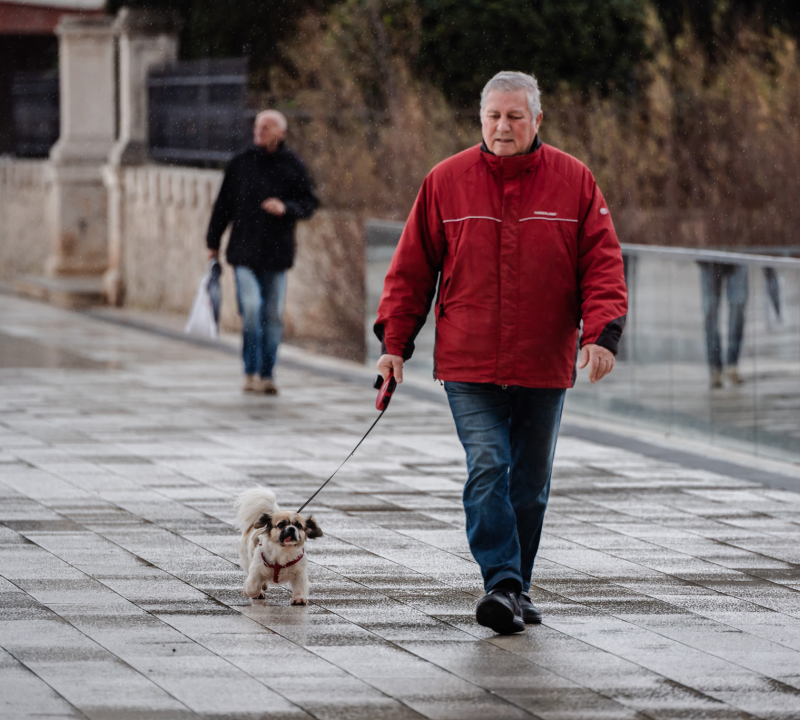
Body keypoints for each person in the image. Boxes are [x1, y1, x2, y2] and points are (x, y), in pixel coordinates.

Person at [374, 71, 628, 634]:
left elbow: (603, 262)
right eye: (493, 116)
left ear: (537, 120)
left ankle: (517, 587)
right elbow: (411, 270)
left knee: (530, 484)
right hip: (470, 361)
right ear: (480, 120)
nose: (503, 126)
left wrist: (601, 333)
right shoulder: (446, 180)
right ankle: (503, 584)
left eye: (515, 116)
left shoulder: (575, 181)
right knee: (488, 466)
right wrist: (394, 345)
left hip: (543, 359)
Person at [206, 110, 318, 394]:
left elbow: (309, 202)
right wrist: (212, 243)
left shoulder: (292, 165)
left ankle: (267, 374)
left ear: (281, 132)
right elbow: (223, 206)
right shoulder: (240, 163)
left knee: (273, 316)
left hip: (277, 255)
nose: (260, 130)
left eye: (267, 127)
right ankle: (250, 371)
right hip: (243, 252)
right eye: (257, 126)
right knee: (252, 309)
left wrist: (286, 208)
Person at [698, 261, 749, 388]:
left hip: (738, 252)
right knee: (710, 310)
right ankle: (715, 368)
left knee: (738, 305)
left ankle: (732, 365)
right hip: (709, 255)